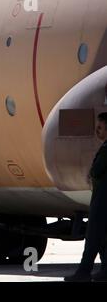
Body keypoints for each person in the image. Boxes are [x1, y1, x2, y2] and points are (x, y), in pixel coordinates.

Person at [65, 113, 107, 282]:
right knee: (103, 237)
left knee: (93, 236)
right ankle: (105, 270)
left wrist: (90, 174)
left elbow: (96, 170)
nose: (97, 131)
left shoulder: (106, 149)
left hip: (102, 199)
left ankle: (84, 271)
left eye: (100, 127)